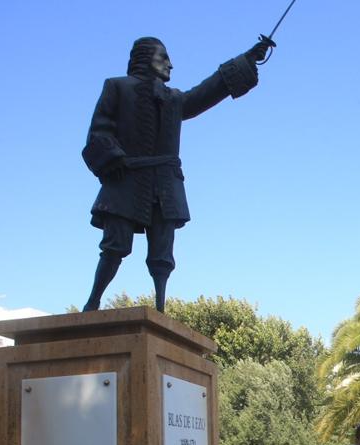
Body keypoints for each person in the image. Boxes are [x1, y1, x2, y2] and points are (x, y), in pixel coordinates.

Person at [81, 36, 275, 312]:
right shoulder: (117, 87)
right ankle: (93, 301)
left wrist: (247, 59)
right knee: (115, 245)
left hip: (164, 182)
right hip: (126, 178)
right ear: (145, 59)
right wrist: (114, 158)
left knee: (162, 252)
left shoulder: (173, 99)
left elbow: (205, 92)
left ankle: (160, 308)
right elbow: (99, 129)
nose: (170, 64)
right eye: (163, 57)